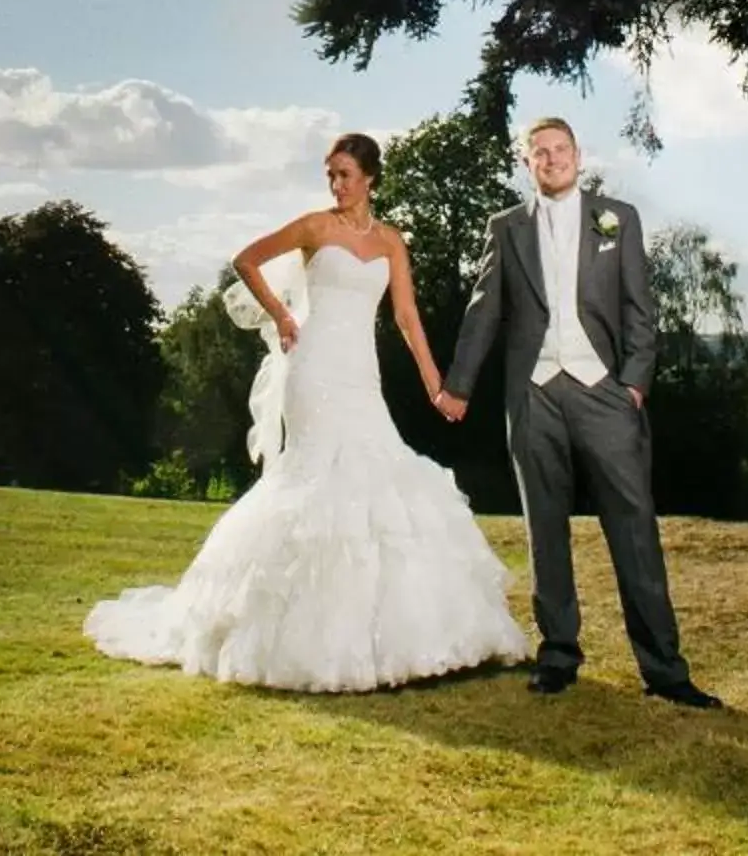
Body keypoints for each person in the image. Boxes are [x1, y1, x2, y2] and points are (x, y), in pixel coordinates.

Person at [84, 131, 531, 690]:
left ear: (370, 178)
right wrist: (281, 315)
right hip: (314, 368)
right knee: (315, 477)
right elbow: (246, 260)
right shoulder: (314, 227)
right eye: (330, 175)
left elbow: (407, 319)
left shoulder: (392, 242)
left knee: (377, 476)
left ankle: (391, 637)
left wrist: (436, 387)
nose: (336, 184)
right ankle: (277, 631)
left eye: (345, 174)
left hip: (360, 375)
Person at [439, 118, 721, 707]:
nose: (552, 159)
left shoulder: (618, 217)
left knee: (634, 531)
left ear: (578, 155)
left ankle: (665, 671)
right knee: (545, 530)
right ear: (527, 163)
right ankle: (559, 655)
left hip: (605, 394)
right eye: (539, 152)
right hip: (534, 395)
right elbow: (483, 313)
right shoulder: (506, 228)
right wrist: (458, 386)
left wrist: (633, 387)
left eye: (560, 149)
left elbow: (641, 311)